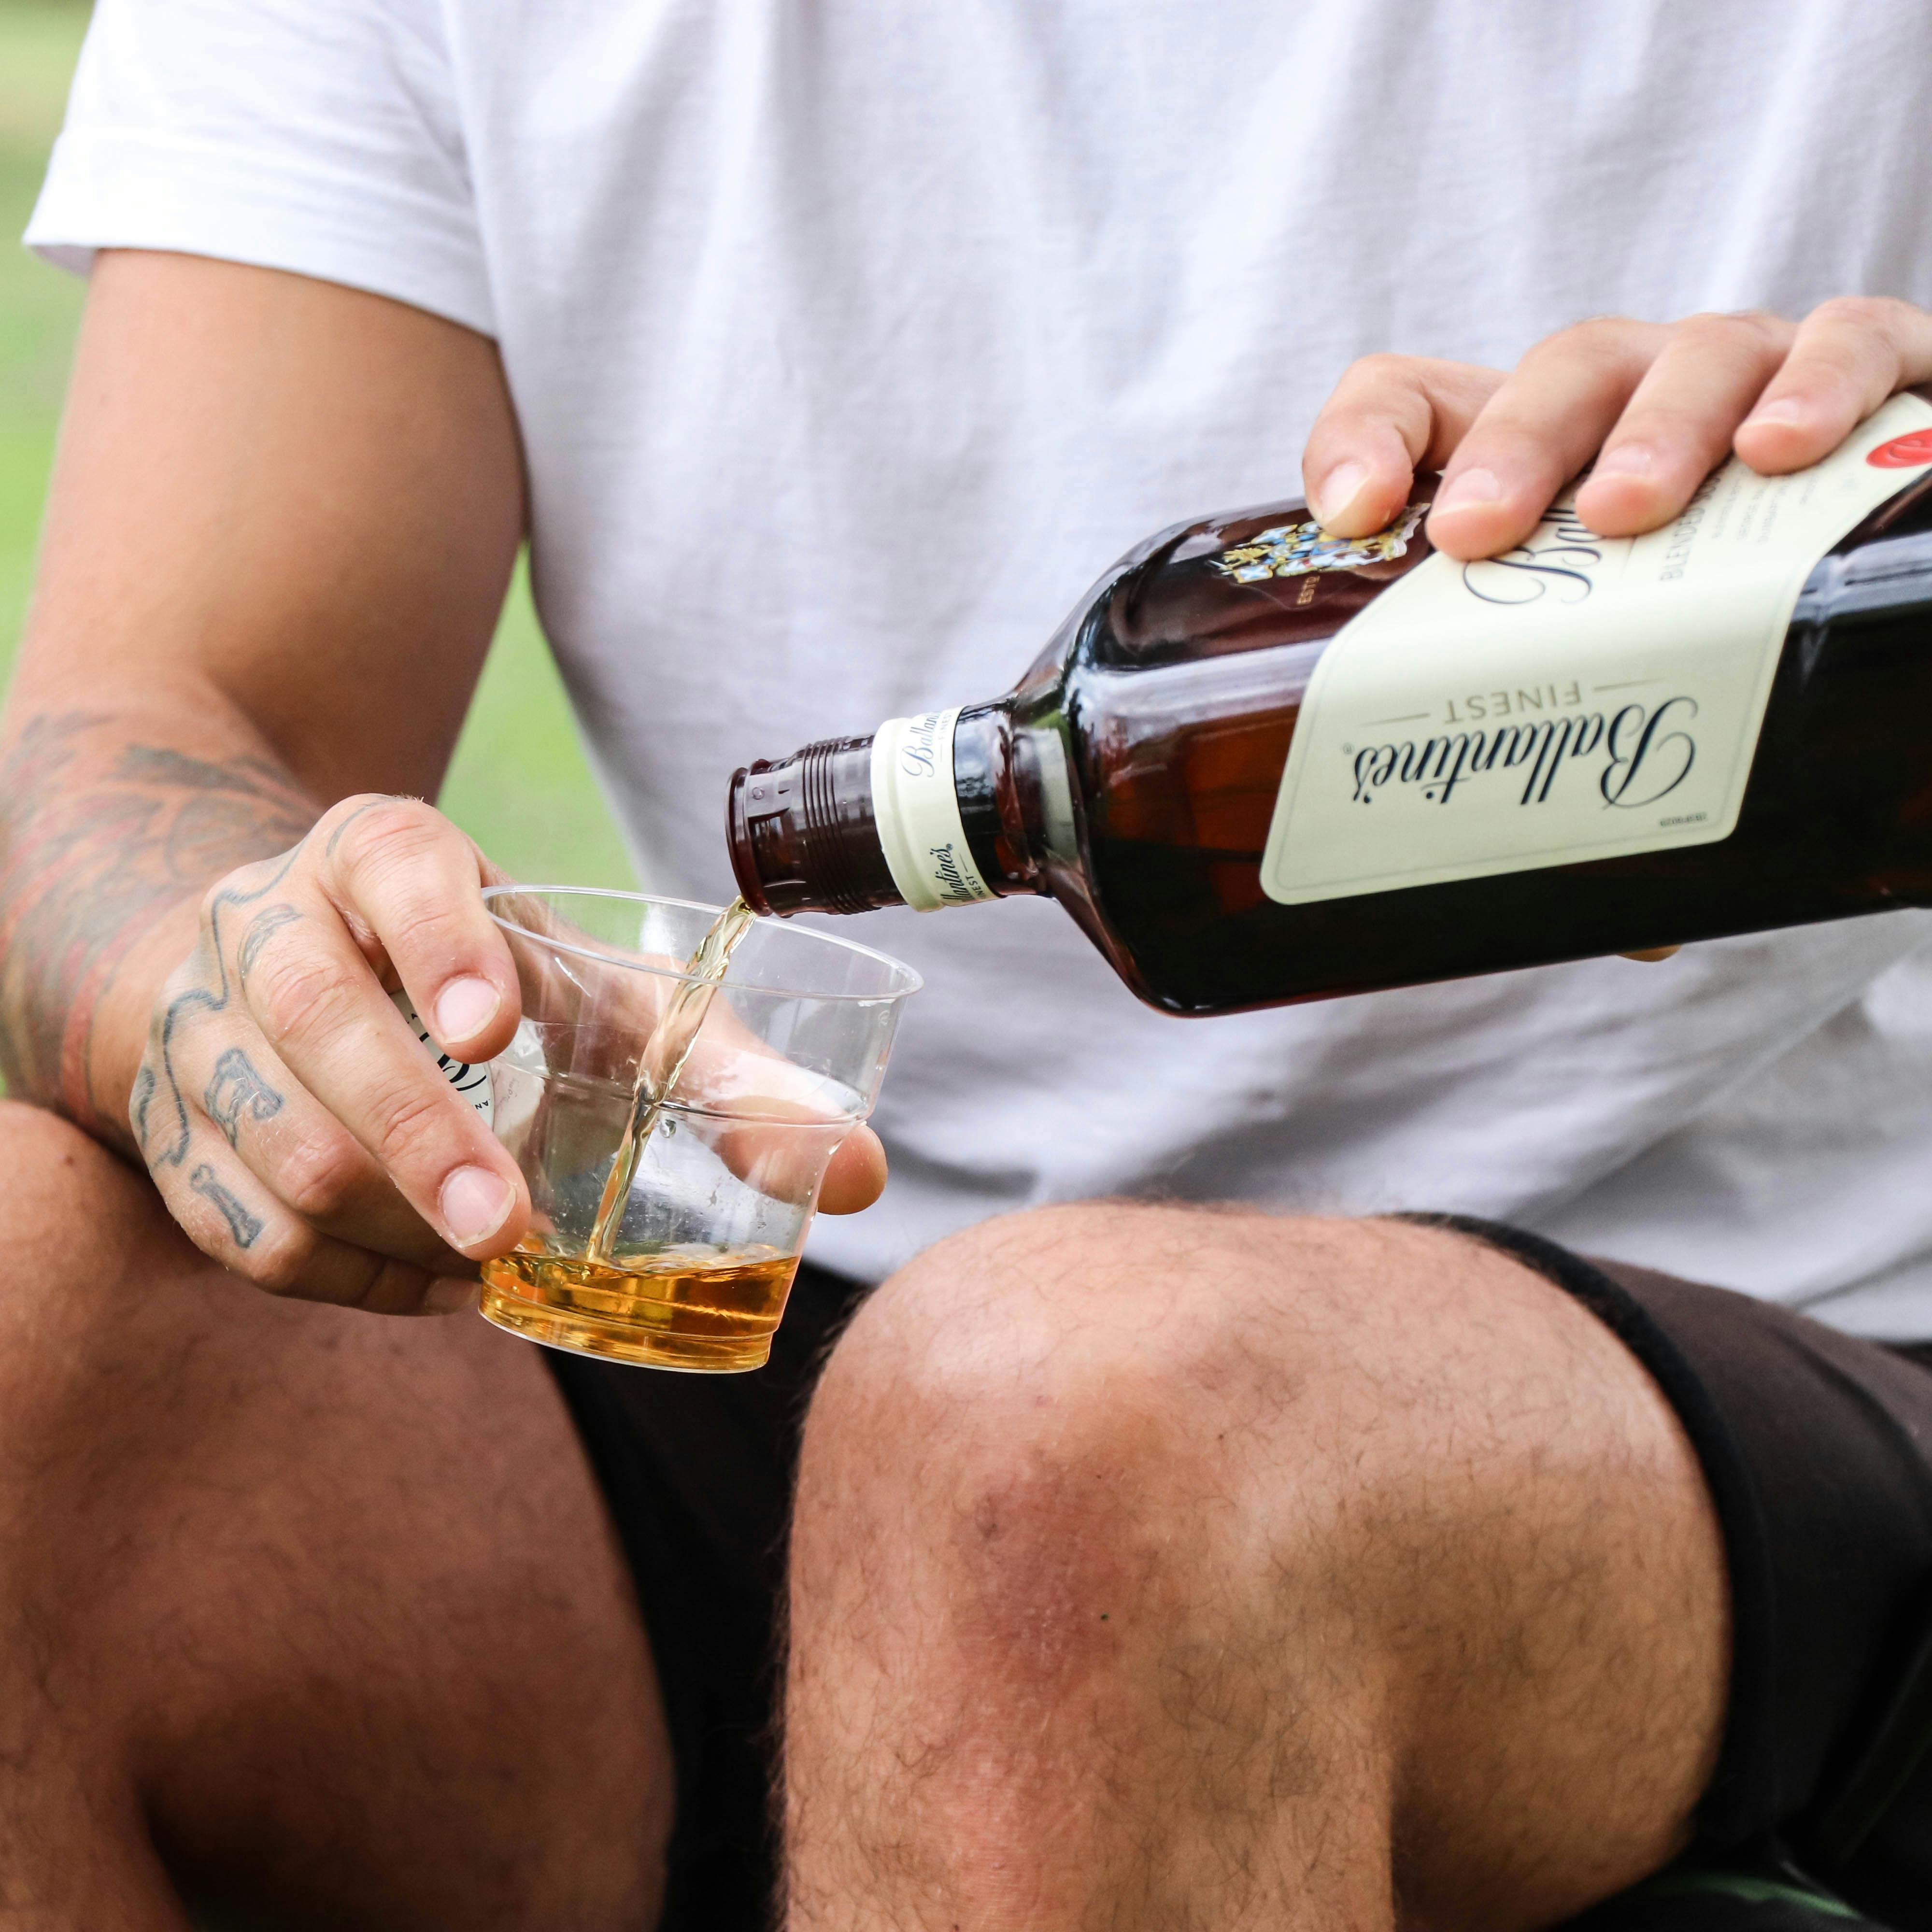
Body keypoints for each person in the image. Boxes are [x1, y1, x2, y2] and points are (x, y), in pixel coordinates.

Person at [4, 1, 1932, 1926]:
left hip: (1780, 1339)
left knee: (1055, 1432)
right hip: (808, 1310)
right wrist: (236, 986)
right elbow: (155, 722)